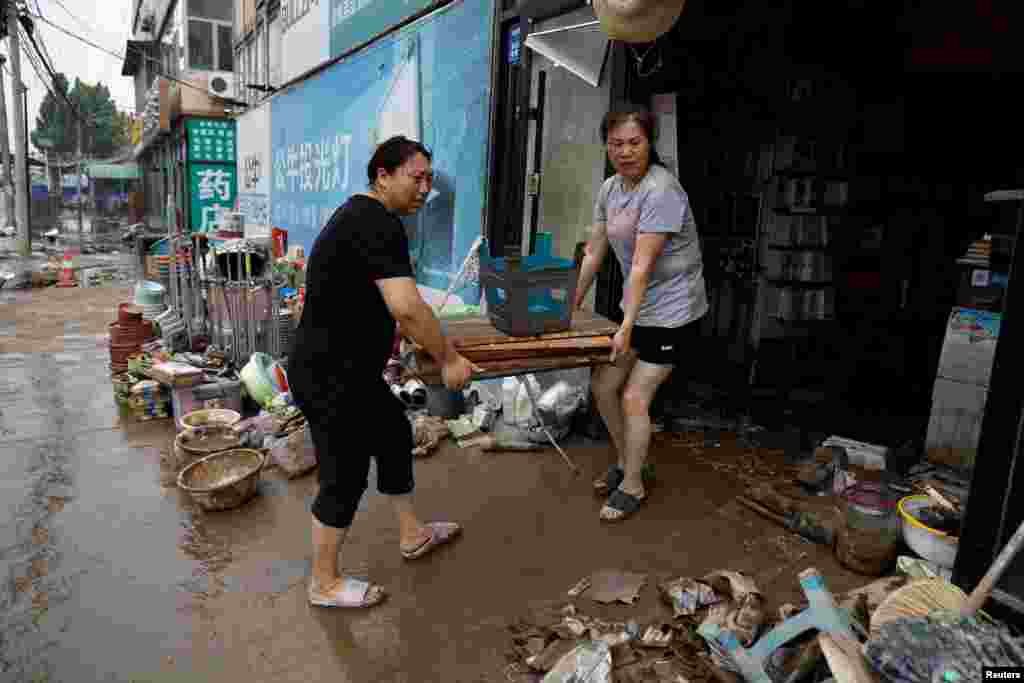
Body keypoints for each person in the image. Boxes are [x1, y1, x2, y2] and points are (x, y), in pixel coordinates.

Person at [289, 136, 476, 608]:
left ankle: (411, 534)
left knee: (393, 433)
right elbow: (407, 306)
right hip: (330, 376)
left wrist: (412, 336)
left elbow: (381, 301)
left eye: (430, 179)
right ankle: (324, 582)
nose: (425, 188)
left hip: (350, 371)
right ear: (383, 175)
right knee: (344, 475)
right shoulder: (375, 223)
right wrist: (449, 358)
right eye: (417, 177)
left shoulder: (366, 217)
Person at [573, 103, 708, 523]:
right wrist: (571, 302)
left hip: (673, 311)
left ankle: (633, 483)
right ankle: (627, 461)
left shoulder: (661, 190)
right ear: (606, 146)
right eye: (617, 143)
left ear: (650, 143)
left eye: (635, 142)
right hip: (639, 306)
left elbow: (641, 266)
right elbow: (595, 251)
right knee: (603, 386)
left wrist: (626, 327)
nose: (626, 151)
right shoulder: (611, 189)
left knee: (634, 396)